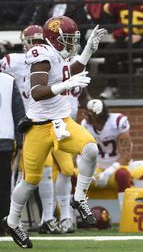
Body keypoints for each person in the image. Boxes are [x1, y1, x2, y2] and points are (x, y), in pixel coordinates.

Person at [1, 15, 107, 248]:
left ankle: (79, 198)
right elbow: (38, 91)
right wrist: (63, 86)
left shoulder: (57, 54)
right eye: (68, 39)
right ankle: (12, 221)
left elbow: (71, 70)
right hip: (38, 126)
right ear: (55, 39)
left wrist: (89, 49)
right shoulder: (41, 54)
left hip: (61, 120)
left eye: (74, 39)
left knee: (89, 150)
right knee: (30, 182)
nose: (71, 44)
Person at [100, 0, 143, 99]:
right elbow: (106, 10)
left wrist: (141, 36)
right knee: (110, 50)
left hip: (142, 40)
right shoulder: (121, 3)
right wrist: (115, 31)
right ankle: (112, 87)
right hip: (124, 40)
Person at [81, 100, 133, 209]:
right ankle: (74, 217)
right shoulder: (85, 125)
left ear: (98, 116)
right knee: (76, 176)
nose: (85, 116)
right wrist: (91, 169)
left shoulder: (118, 121)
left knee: (122, 175)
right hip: (97, 167)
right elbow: (82, 151)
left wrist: (110, 171)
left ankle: (125, 213)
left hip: (118, 166)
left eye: (89, 113)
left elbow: (126, 156)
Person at [0, 72, 25, 237]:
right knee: (3, 186)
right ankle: (3, 224)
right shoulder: (8, 80)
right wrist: (21, 140)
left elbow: (18, 113)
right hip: (4, 139)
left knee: (3, 186)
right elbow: (19, 113)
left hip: (4, 141)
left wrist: (21, 140)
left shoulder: (9, 81)